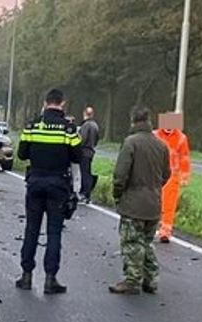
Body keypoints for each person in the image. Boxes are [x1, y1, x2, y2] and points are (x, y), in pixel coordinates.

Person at [15, 88, 82, 294]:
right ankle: (50, 279)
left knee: (31, 230)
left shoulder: (32, 125)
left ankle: (26, 276)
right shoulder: (68, 129)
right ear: (62, 104)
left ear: (45, 103)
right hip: (58, 186)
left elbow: (22, 153)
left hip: (35, 182)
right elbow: (77, 156)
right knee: (54, 233)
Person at [109, 106, 171, 295]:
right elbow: (167, 174)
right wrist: (155, 188)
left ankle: (132, 280)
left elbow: (120, 174)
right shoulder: (161, 145)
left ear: (133, 121)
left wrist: (118, 194)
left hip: (133, 202)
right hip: (154, 202)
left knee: (131, 242)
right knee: (147, 242)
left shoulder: (130, 143)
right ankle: (151, 279)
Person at [154, 115, 191, 243]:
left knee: (169, 204)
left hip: (172, 175)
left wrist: (184, 176)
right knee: (154, 202)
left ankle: (165, 231)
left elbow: (184, 158)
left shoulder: (181, 138)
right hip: (156, 174)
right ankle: (151, 227)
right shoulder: (155, 135)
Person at [77, 106, 100, 203]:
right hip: (91, 151)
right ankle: (86, 193)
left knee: (84, 173)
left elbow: (82, 139)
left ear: (85, 114)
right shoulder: (95, 125)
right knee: (87, 172)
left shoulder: (86, 125)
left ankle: (85, 194)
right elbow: (97, 139)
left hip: (84, 152)